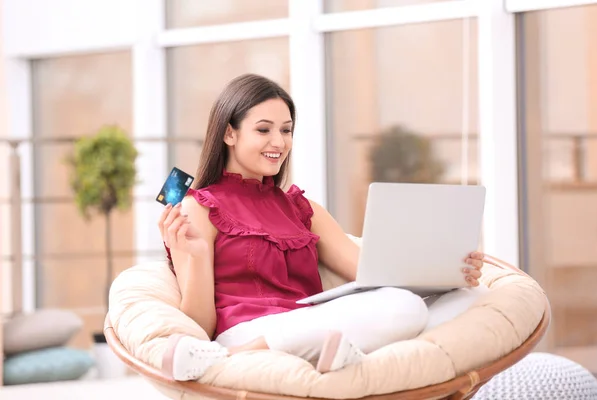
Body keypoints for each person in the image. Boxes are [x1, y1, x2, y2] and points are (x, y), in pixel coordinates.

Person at [158, 73, 485, 381]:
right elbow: (199, 325)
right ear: (229, 133)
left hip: (315, 322)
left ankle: (341, 355)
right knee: (405, 308)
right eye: (263, 130)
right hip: (247, 330)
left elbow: (372, 272)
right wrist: (198, 256)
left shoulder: (302, 209)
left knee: (472, 296)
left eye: (286, 130)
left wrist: (447, 272)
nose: (279, 142)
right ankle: (236, 356)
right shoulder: (197, 207)